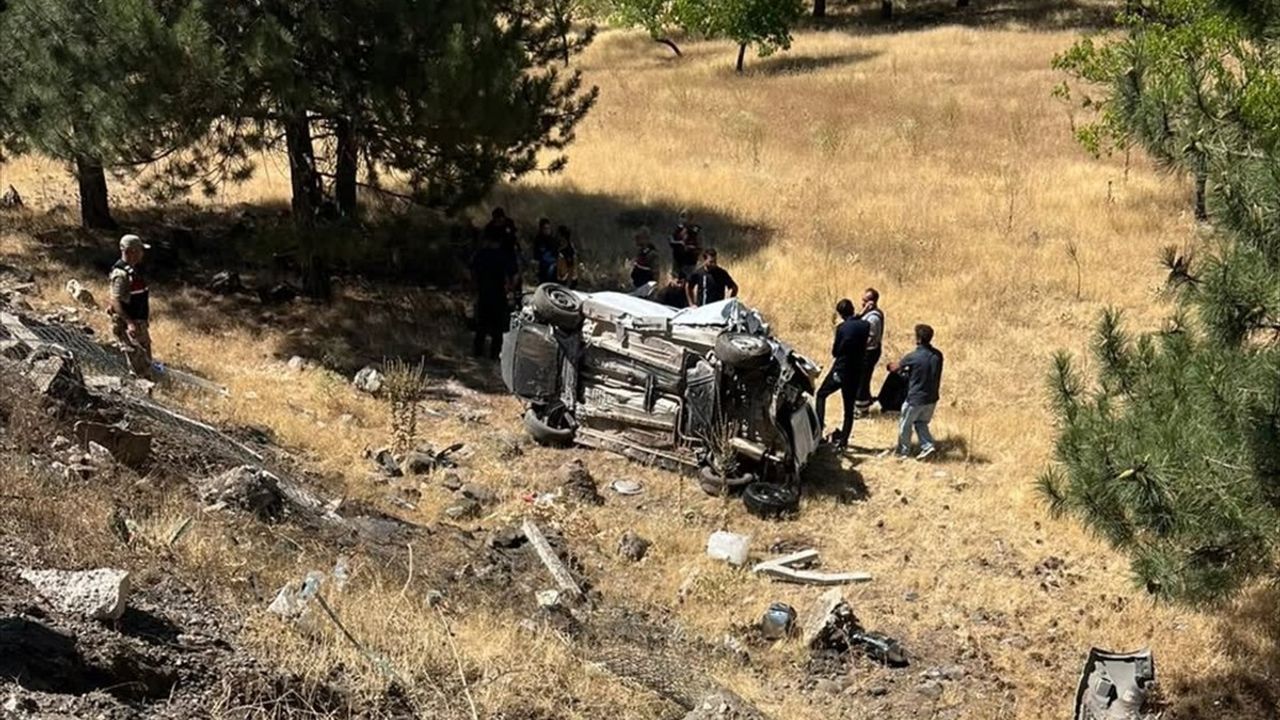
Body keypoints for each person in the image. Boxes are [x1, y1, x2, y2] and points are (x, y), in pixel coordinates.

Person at [815, 299, 869, 449]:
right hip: (856, 371)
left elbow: (835, 351)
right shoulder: (865, 325)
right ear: (853, 309)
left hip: (841, 369)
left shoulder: (841, 328)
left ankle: (818, 431)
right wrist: (862, 314)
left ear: (840, 314)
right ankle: (844, 441)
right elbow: (856, 323)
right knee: (848, 408)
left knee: (821, 394)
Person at [887, 324, 944, 460]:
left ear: (918, 339)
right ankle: (927, 446)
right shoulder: (938, 355)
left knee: (905, 425)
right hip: (932, 398)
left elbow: (895, 368)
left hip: (915, 398)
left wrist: (890, 366)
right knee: (921, 423)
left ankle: (903, 451)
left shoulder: (913, 356)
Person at [109, 234, 154, 378]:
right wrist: (129, 323)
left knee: (146, 359)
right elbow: (115, 300)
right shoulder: (121, 274)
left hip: (140, 322)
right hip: (131, 325)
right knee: (138, 364)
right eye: (139, 250)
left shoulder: (133, 271)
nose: (142, 253)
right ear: (130, 251)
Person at [471, 228, 516, 359]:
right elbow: (509, 277)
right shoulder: (503, 256)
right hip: (498, 295)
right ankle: (494, 354)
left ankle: (478, 352)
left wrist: (474, 288)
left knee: (481, 325)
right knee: (497, 328)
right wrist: (510, 292)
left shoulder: (480, 254)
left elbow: (472, 273)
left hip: (483, 293)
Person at [855, 288, 885, 415]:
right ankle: (865, 400)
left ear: (871, 302)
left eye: (865, 300)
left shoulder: (873, 319)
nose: (862, 302)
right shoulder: (868, 314)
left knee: (863, 379)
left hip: (869, 353)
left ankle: (862, 409)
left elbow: (870, 338)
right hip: (868, 352)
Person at [531, 218, 558, 284]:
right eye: (545, 228)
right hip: (542, 266)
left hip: (553, 265)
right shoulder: (538, 240)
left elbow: (556, 253)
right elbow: (536, 255)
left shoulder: (553, 240)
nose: (547, 230)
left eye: (548, 228)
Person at [555, 225, 578, 289]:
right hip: (563, 279)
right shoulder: (562, 250)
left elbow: (571, 269)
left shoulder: (568, 251)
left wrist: (567, 286)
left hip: (566, 281)